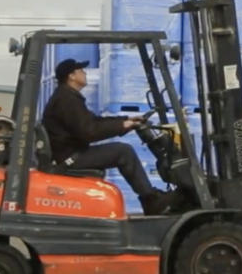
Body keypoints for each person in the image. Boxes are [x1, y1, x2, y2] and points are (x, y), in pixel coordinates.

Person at [41, 58, 182, 215]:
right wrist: (122, 126)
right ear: (71, 76)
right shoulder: (66, 100)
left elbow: (93, 121)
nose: (85, 73)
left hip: (71, 153)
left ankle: (150, 198)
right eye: (81, 70)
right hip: (70, 158)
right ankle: (151, 200)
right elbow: (89, 132)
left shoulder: (67, 97)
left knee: (122, 150)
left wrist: (125, 121)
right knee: (123, 152)